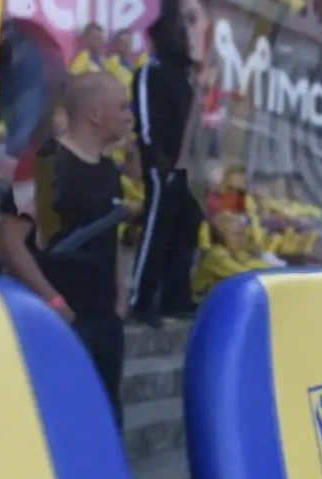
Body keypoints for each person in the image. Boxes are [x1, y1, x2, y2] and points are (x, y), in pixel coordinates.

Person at [0, 72, 183, 479]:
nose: (130, 116)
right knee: (59, 427)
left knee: (106, 424)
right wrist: (54, 304)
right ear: (95, 112)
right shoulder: (43, 164)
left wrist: (119, 297)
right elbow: (13, 243)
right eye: (122, 107)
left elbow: (109, 239)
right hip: (60, 322)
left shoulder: (109, 173)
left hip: (102, 320)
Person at [128, 0, 207, 328]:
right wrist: (157, 158)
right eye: (177, 30)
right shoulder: (151, 71)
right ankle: (142, 299)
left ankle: (176, 296)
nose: (184, 37)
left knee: (186, 230)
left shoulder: (187, 78)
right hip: (162, 166)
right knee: (157, 229)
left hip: (189, 167)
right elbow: (146, 120)